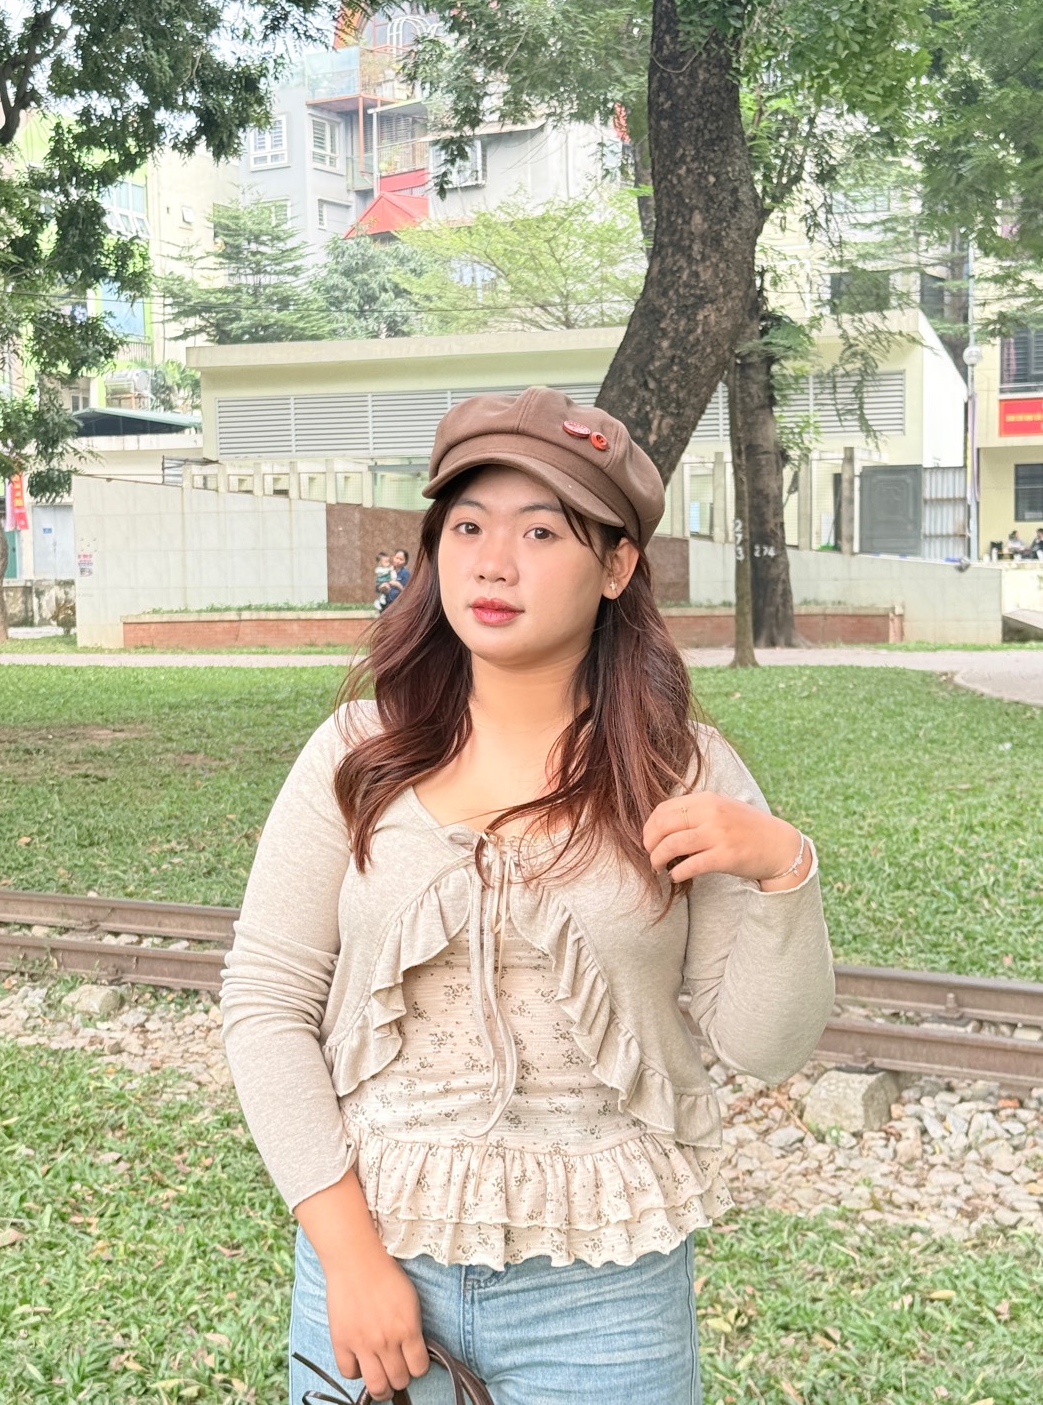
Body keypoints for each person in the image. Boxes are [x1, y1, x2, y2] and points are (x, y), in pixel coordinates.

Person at [221, 387, 834, 1405]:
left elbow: (762, 1046)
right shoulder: (357, 754)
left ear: (616, 566)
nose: (493, 563)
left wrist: (783, 871)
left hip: (607, 1295)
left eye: (541, 532)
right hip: (373, 1263)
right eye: (467, 527)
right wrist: (350, 1259)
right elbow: (265, 1003)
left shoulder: (682, 770)